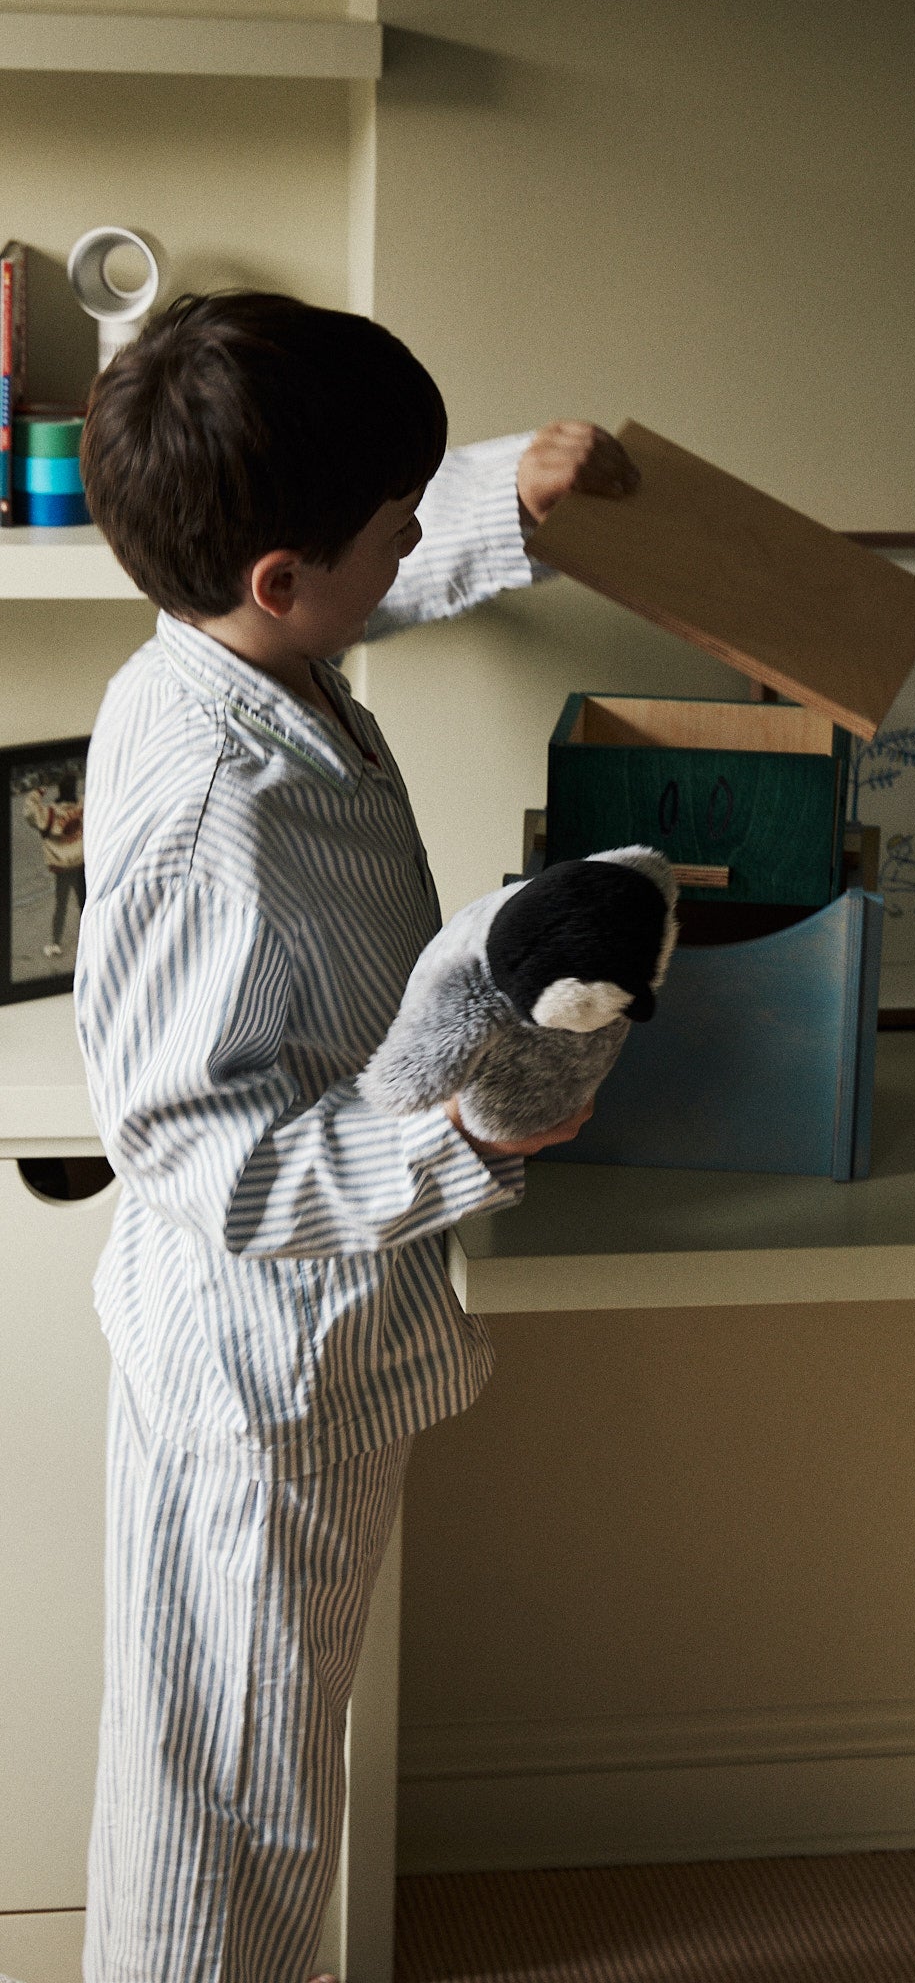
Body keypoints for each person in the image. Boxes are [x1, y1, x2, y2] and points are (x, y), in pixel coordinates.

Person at [72, 291, 639, 1983]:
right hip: (271, 1365)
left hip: (281, 1348)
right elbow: (200, 1151)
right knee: (241, 1791)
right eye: (397, 531)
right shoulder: (215, 798)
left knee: (228, 1759)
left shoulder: (260, 655)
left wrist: (502, 504)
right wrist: (464, 1135)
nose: (407, 556)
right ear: (283, 571)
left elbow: (374, 557)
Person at [22, 767, 86, 959]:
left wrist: (39, 790)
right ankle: (89, 940)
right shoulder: (83, 805)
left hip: (64, 867)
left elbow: (29, 811)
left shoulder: (50, 813)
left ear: (58, 790)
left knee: (61, 906)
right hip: (83, 863)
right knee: (86, 904)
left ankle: (56, 943)